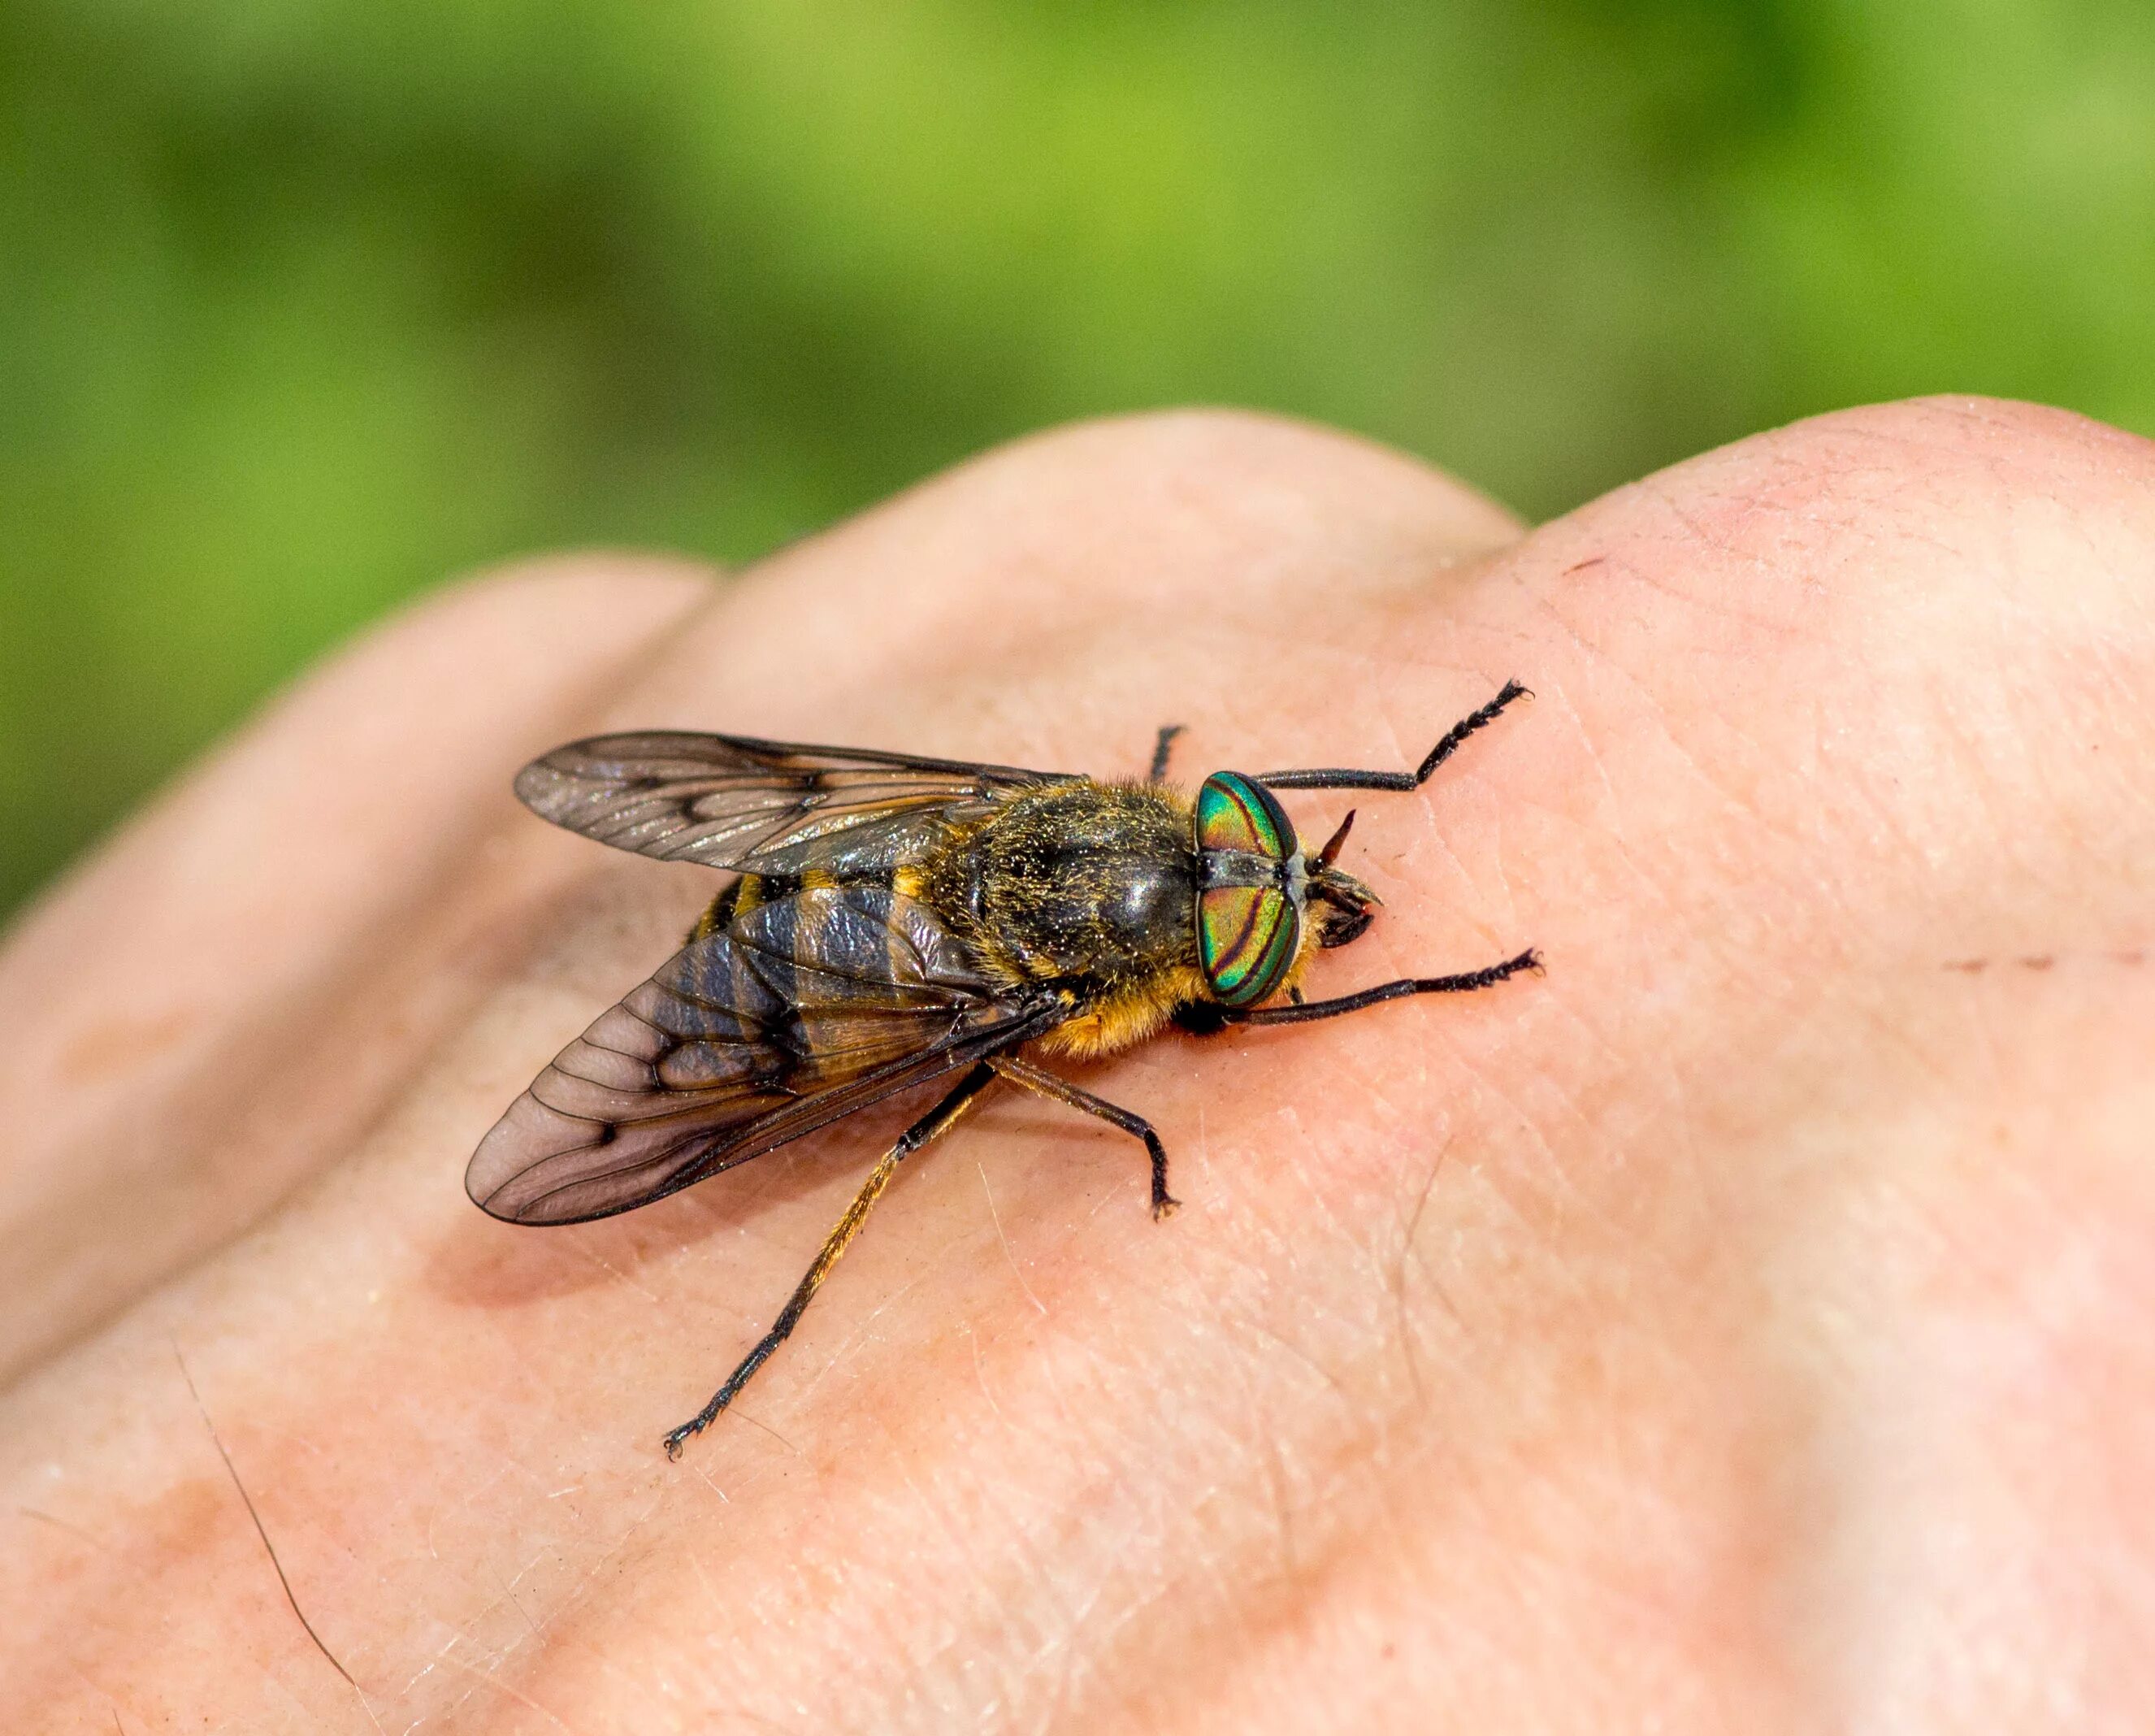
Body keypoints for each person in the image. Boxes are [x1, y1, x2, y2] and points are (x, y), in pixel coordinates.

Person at [3, 401, 2149, 1729]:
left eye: (1260, 869)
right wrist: (1179, 1074)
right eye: (1251, 909)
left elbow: (828, 800)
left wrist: (1378, 827)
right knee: (898, 1125)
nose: (1274, 881)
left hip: (885, 842)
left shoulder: (1154, 835)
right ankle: (787, 1315)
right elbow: (1047, 1050)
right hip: (860, 974)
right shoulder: (1082, 999)